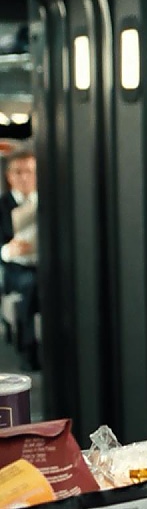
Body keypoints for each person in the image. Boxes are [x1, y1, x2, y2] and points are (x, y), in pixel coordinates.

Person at [1, 148, 39, 368]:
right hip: (17, 269)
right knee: (29, 285)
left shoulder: (50, 202)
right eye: (19, 172)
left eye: (30, 171)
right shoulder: (2, 206)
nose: (25, 177)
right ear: (9, 176)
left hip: (47, 266)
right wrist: (8, 250)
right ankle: (29, 350)